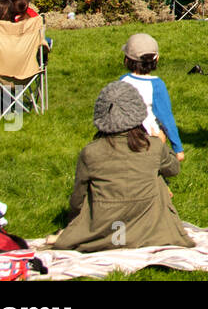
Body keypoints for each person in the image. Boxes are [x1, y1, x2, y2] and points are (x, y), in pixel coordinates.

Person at [53, 81, 195, 252]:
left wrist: (75, 223)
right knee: (156, 175)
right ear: (137, 113)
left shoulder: (90, 152)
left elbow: (78, 199)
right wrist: (161, 142)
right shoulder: (153, 146)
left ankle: (119, 235)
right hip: (150, 230)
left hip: (104, 229)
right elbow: (174, 169)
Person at [118, 33, 185, 162]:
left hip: (123, 135)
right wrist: (178, 148)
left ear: (127, 59)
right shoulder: (156, 85)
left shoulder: (122, 81)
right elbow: (166, 117)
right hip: (148, 137)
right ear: (157, 59)